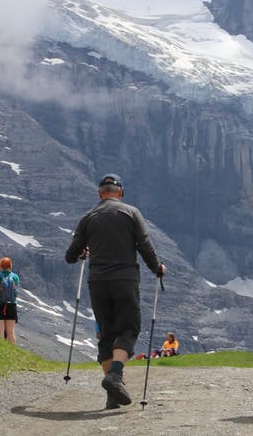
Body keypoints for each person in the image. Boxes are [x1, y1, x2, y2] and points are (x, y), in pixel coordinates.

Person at [65, 173, 166, 410]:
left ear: (100, 194)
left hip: (98, 281)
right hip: (125, 278)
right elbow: (144, 243)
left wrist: (82, 254)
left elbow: (71, 255)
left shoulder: (88, 217)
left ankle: (112, 395)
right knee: (129, 327)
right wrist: (157, 267)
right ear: (120, 193)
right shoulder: (131, 213)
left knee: (106, 333)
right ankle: (115, 375)